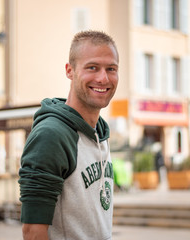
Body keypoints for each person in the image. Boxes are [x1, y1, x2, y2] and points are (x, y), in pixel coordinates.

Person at [18, 30, 119, 240]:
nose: (103, 78)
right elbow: (33, 232)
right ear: (69, 70)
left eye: (111, 69)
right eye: (92, 67)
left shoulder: (100, 133)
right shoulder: (52, 135)